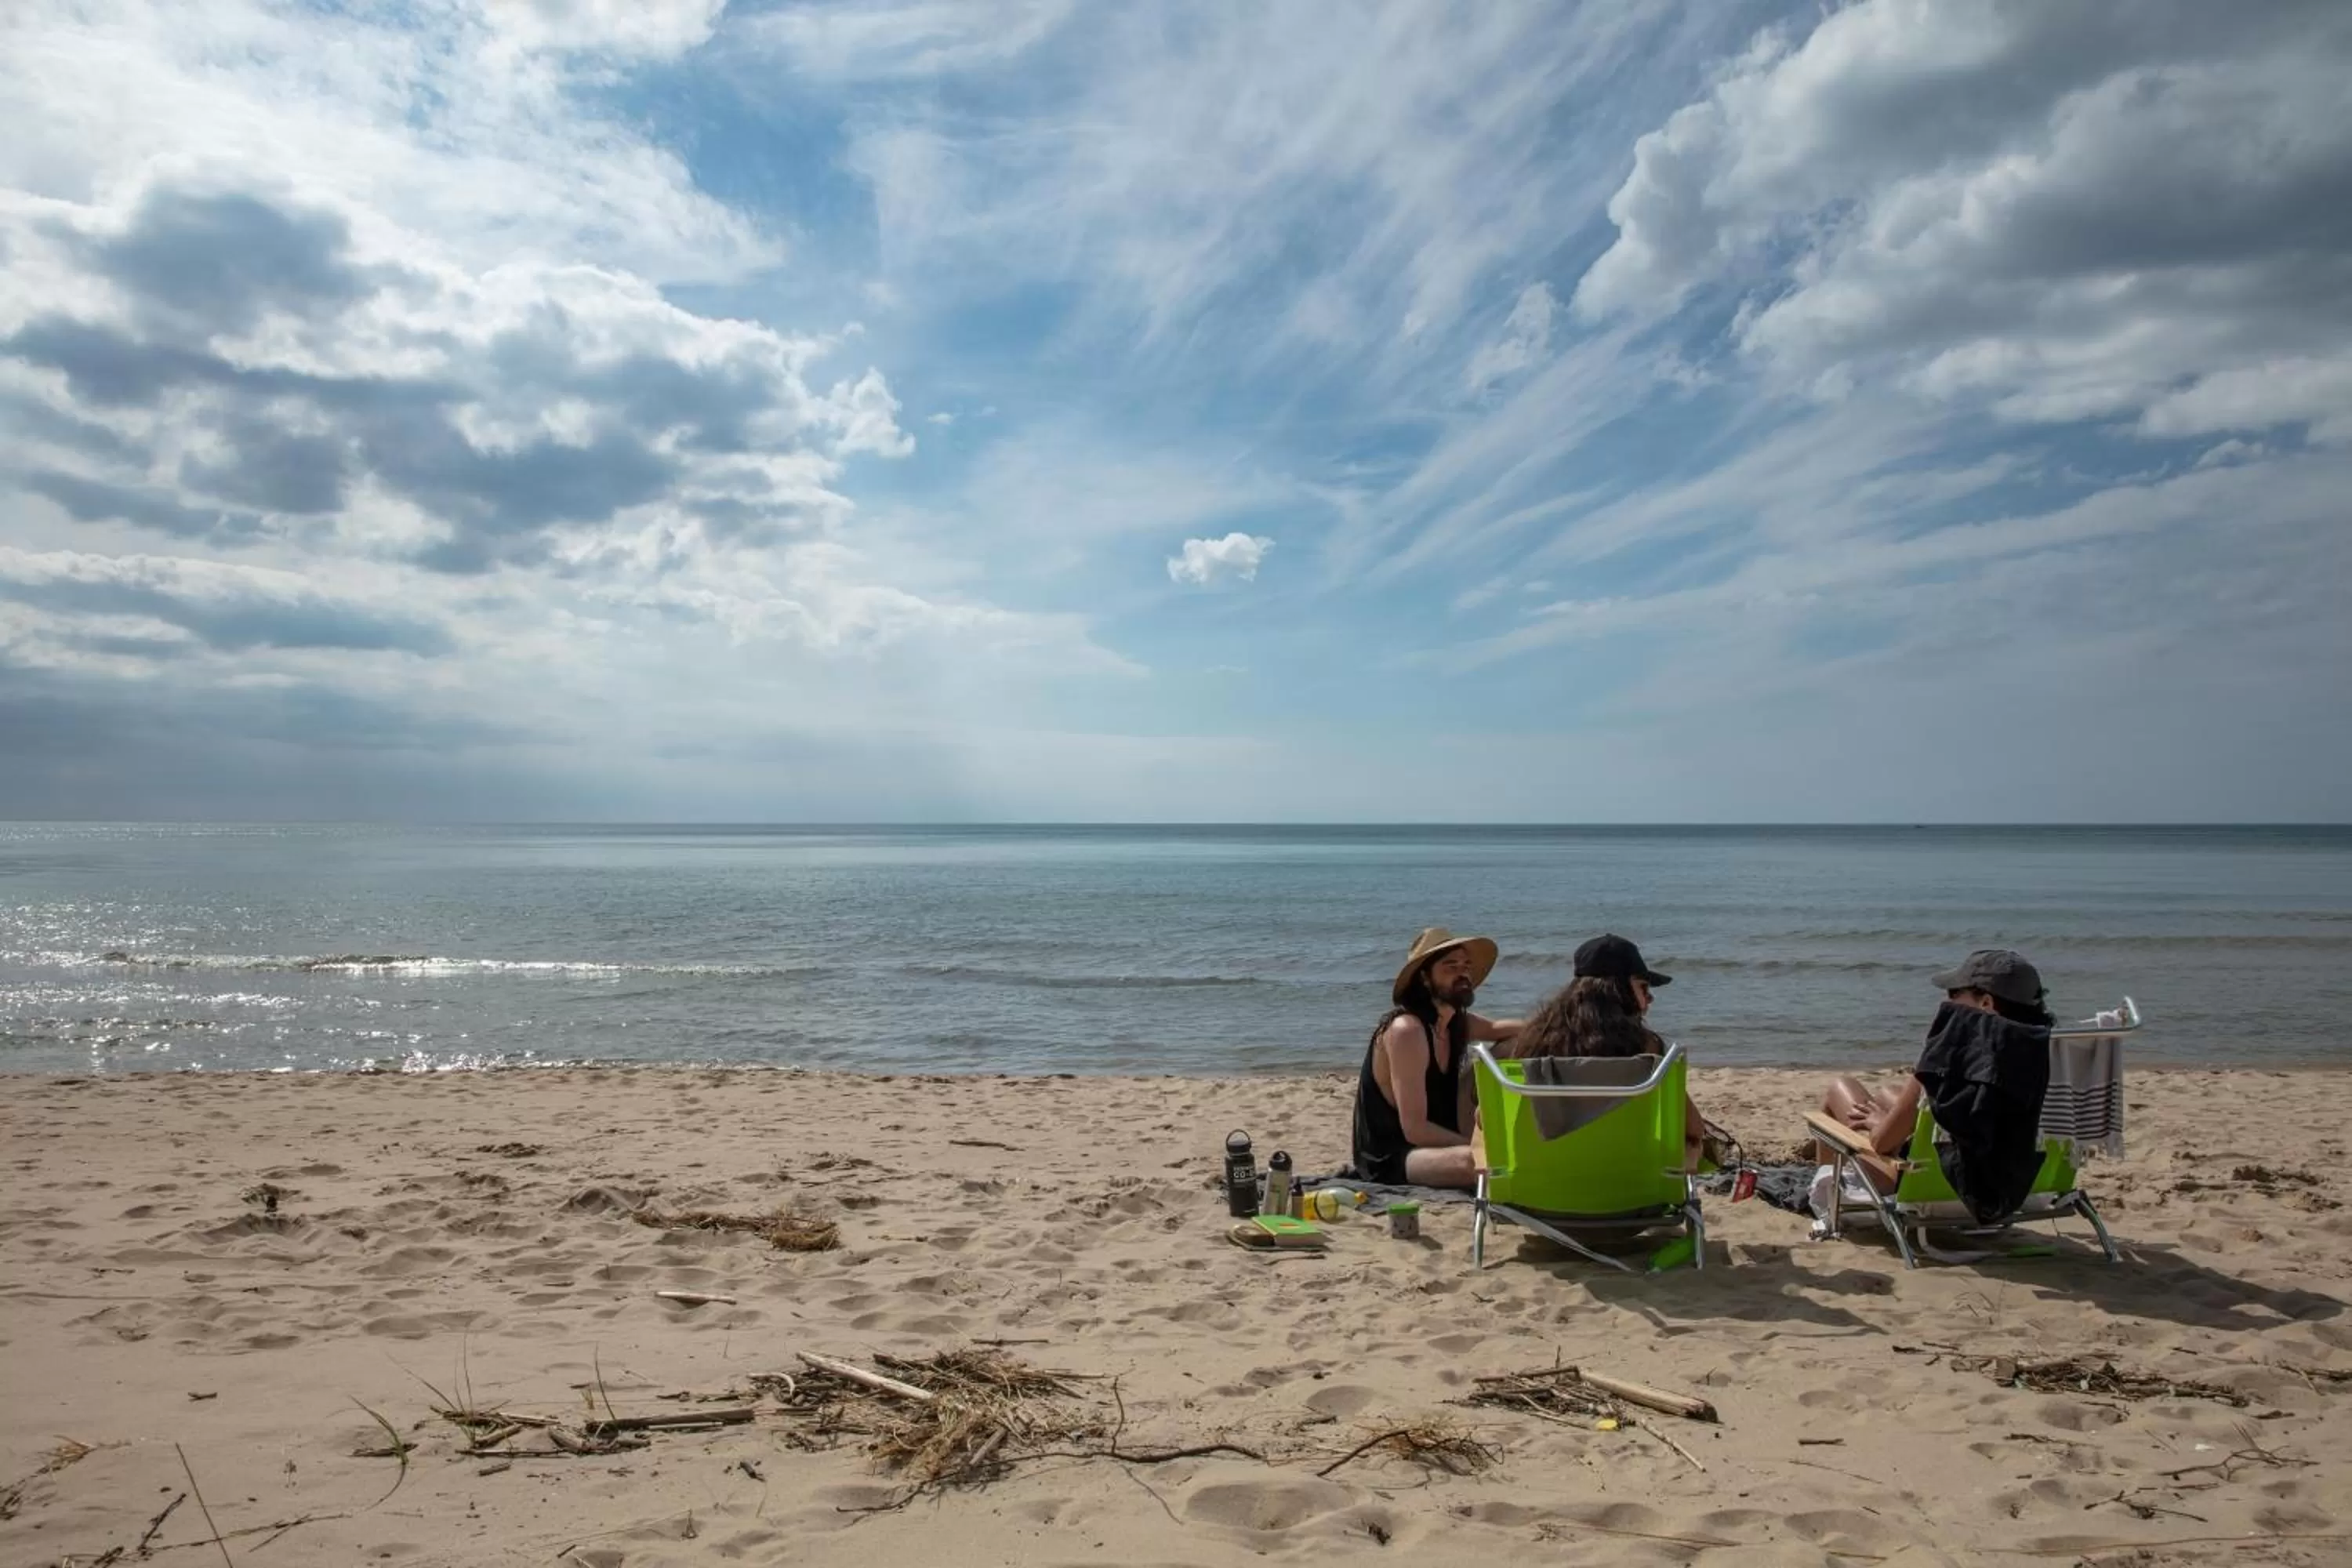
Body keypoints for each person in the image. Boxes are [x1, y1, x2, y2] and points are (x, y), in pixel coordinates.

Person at [1820, 949, 2056, 1218]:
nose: (1949, 1002)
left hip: (1946, 1186)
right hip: (2020, 1187)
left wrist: (1879, 1124)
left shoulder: (1953, 1052)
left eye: (1954, 995)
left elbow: (1881, 1144)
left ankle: (1829, 1207)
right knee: (1889, 1093)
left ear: (1986, 1003)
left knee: (1840, 1087)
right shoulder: (2054, 1053)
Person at [1508, 933, 1708, 1162]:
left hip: (1542, 1177)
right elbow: (1693, 1128)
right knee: (1692, 1148)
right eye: (1643, 987)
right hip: (1627, 1178)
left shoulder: (1534, 1040)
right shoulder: (1646, 1046)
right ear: (1618, 990)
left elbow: (1488, 1119)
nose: (1650, 998)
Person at [1349, 927, 1523, 1189]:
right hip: (1395, 1154)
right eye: (1450, 967)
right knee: (1475, 1162)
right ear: (1425, 978)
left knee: (1511, 1044)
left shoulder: (1455, 1023)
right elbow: (1415, 1129)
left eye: (1466, 965)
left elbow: (1499, 1028)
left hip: (1444, 1138)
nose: (1462, 973)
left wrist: (1564, 1027)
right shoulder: (1407, 1031)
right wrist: (1481, 1147)